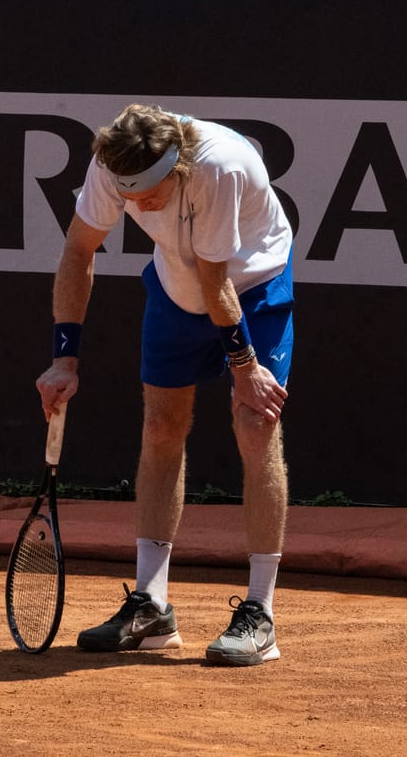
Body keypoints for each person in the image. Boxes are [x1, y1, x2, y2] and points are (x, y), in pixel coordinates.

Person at [36, 104, 294, 667]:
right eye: (130, 195)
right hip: (178, 288)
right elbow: (79, 251)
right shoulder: (113, 164)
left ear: (177, 166)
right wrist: (65, 361)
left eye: (150, 194)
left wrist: (247, 368)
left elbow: (218, 281)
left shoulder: (218, 168)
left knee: (255, 424)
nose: (138, 206)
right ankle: (151, 606)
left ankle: (261, 612)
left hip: (251, 284)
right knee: (160, 425)